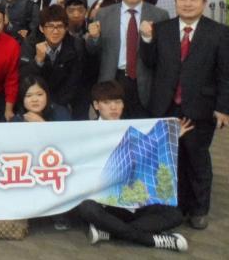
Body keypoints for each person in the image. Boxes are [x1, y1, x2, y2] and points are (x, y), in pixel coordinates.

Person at [140, 0, 229, 230]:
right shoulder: (162, 29)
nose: (187, 3)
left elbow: (227, 74)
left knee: (197, 159)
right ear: (175, 1)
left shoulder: (219, 32)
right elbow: (150, 62)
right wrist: (147, 38)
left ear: (204, 2)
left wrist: (224, 108)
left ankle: (199, 209)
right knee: (170, 159)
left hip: (200, 108)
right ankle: (177, 206)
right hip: (165, 106)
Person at [77, 80, 190, 252]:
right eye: (107, 102)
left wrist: (171, 138)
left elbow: (150, 152)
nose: (113, 107)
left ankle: (110, 232)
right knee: (87, 208)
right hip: (105, 203)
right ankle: (153, 240)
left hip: (135, 200)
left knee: (175, 215)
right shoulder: (84, 131)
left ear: (123, 104)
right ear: (96, 105)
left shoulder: (135, 128)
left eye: (118, 102)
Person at [86, 0, 168, 119]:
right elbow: (92, 51)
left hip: (144, 82)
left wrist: (148, 38)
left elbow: (162, 56)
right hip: (113, 79)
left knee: (141, 128)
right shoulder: (103, 14)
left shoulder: (159, 15)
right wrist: (94, 38)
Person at [20, 5, 86, 118]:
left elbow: (74, 82)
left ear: (66, 28)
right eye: (50, 26)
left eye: (60, 26)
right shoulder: (30, 43)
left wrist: (53, 107)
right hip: (34, 99)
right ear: (41, 28)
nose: (55, 31)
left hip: (61, 101)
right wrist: (38, 61)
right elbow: (24, 77)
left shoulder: (76, 45)